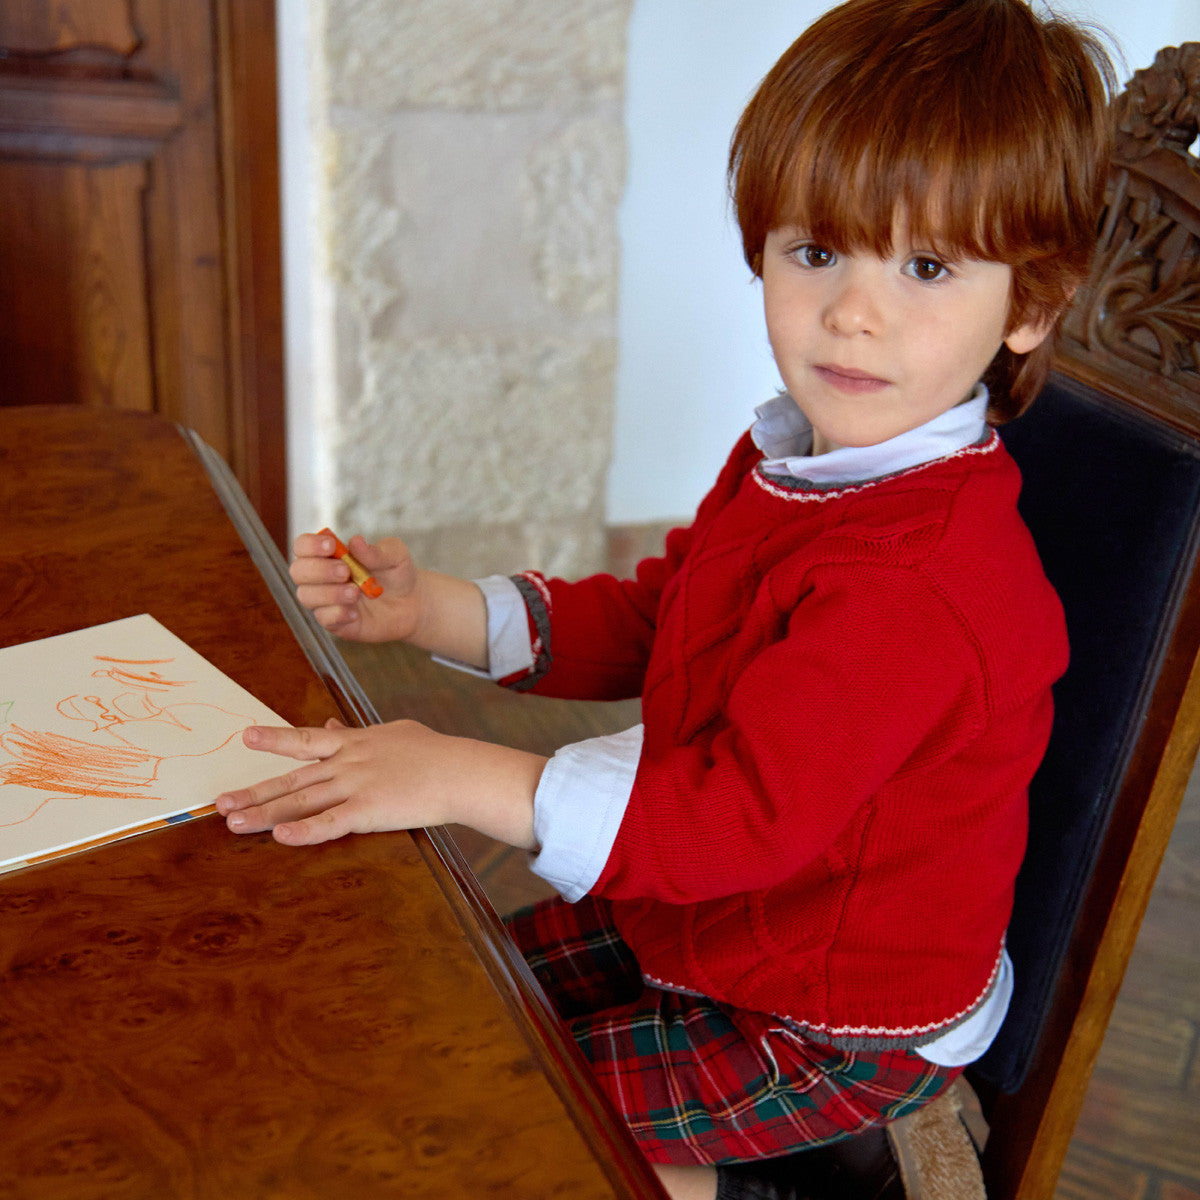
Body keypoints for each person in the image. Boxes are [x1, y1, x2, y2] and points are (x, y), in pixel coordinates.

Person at [216, 1, 1115, 1196]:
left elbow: (733, 817)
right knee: (445, 995)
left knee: (491, 1113)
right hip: (713, 917)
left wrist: (454, 770)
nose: (854, 311)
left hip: (827, 1017)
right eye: (817, 252)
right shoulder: (799, 457)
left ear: (1032, 307)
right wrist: (435, 609)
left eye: (929, 267)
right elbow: (665, 613)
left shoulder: (920, 585)